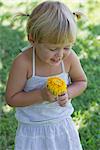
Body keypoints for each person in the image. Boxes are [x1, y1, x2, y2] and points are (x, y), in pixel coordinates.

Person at [6, 1, 87, 150]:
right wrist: (41, 95)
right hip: (32, 131)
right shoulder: (23, 62)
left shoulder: (69, 58)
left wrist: (68, 93)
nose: (60, 54)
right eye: (53, 48)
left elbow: (81, 81)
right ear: (32, 40)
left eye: (67, 47)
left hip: (62, 126)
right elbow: (11, 98)